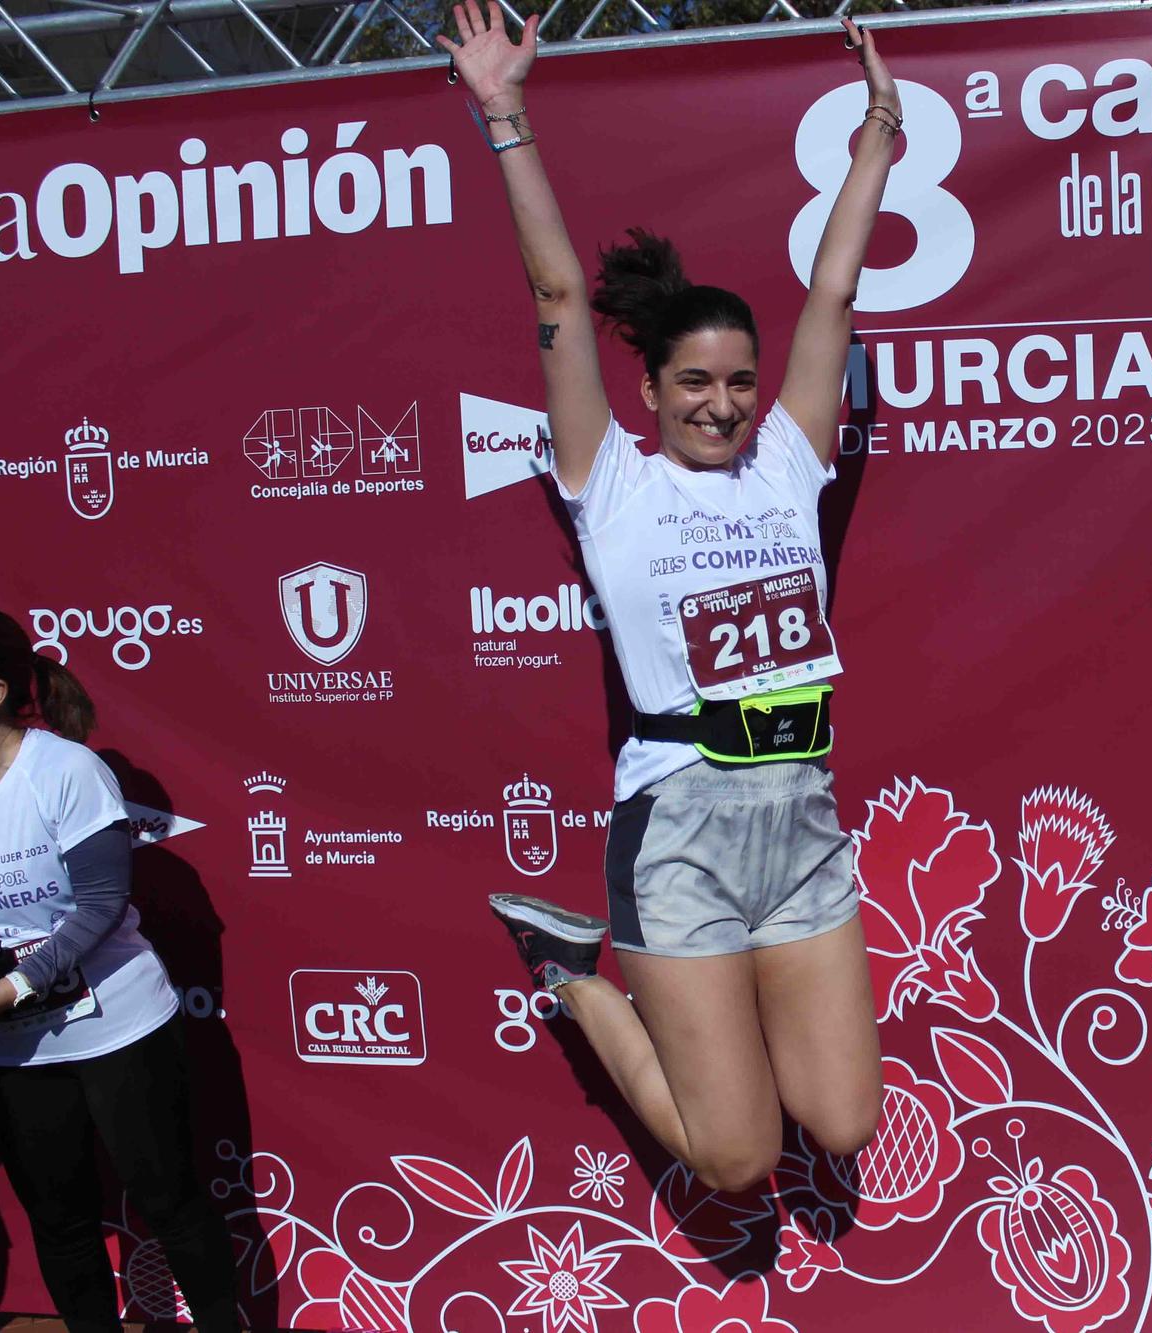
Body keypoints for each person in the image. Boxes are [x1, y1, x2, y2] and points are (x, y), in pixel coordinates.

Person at [441, 4, 899, 1190]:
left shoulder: (790, 461)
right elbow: (553, 290)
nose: (722, 402)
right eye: (694, 381)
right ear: (647, 387)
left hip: (798, 817)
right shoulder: (610, 483)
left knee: (843, 1124)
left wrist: (877, 140)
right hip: (679, 826)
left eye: (741, 381)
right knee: (737, 1158)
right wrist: (503, 113)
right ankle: (573, 974)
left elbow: (835, 297)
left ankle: (649, 991)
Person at [0, 607, 237, 1333]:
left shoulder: (66, 771)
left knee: (171, 1205)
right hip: (10, 1044)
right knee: (60, 1222)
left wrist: (17, 983)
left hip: (119, 1029)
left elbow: (102, 904)